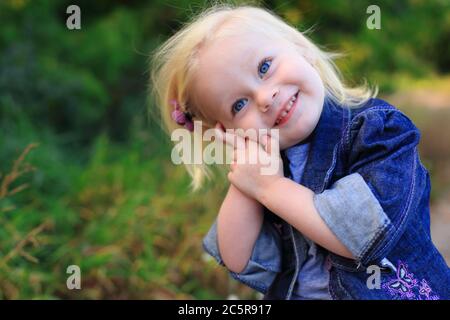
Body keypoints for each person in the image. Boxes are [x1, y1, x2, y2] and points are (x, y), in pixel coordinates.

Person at [149, 4, 449, 299]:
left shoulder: (377, 131)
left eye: (264, 67)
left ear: (300, 48)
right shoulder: (268, 165)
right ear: (226, 131)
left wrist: (270, 187)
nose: (265, 98)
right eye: (239, 105)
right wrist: (246, 180)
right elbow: (238, 257)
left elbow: (357, 238)